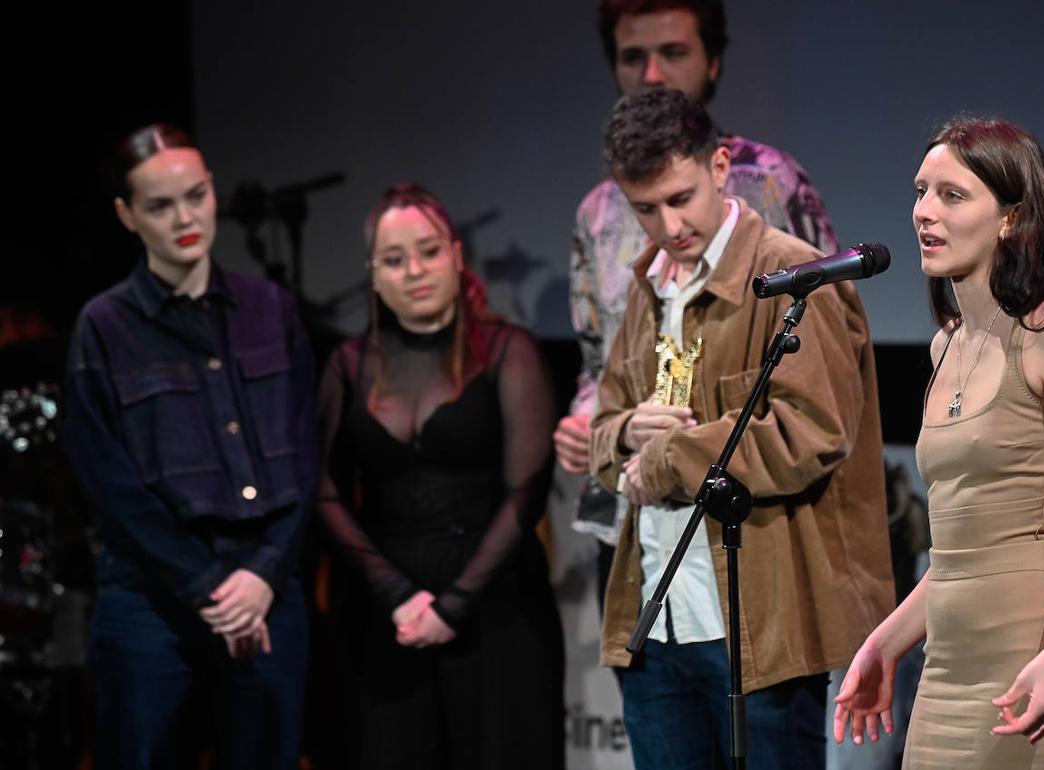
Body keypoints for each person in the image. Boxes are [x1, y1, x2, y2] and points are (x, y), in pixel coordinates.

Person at [590, 88, 894, 770]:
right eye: (645, 208)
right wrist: (627, 432)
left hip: (758, 630)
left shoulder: (793, 276)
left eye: (680, 197)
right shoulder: (648, 288)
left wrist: (669, 456)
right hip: (658, 619)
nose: (667, 225)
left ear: (721, 167)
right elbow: (603, 434)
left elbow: (810, 430)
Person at [832, 116, 1044, 767]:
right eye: (920, 191)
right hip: (948, 677)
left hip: (1036, 664)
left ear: (1012, 217)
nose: (924, 213)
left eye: (951, 195)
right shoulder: (946, 344)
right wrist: (887, 641)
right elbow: (961, 551)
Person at [554, 0, 837, 601]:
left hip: (752, 514)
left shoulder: (771, 180)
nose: (651, 73)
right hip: (641, 511)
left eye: (673, 53)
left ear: (712, 62)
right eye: (633, 57)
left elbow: (823, 335)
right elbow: (595, 354)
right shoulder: (599, 210)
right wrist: (593, 420)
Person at [63, 124, 315, 769]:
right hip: (151, 595)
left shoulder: (270, 308)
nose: (185, 218)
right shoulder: (105, 326)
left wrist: (261, 573)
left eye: (196, 196)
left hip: (265, 585)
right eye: (160, 205)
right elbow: (108, 483)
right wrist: (207, 586)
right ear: (127, 215)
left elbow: (306, 448)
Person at [316, 184, 565, 769]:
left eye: (428, 251)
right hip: (386, 615)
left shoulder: (509, 350)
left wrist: (453, 605)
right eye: (394, 260)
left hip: (496, 602)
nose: (415, 271)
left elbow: (526, 490)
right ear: (374, 275)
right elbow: (323, 487)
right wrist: (396, 595)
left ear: (456, 255)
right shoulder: (348, 365)